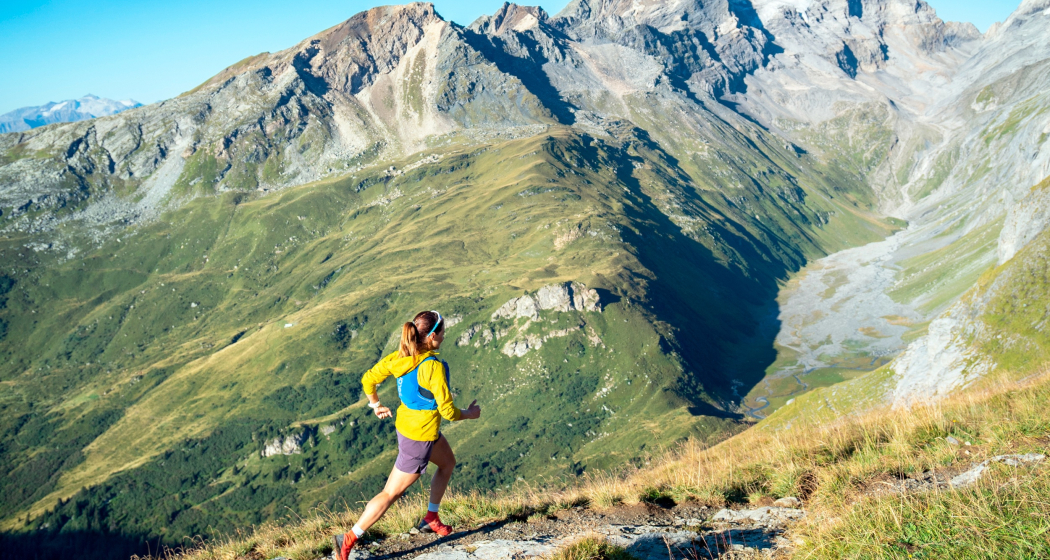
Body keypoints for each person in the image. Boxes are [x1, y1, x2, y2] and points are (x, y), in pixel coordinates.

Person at [334, 310, 482, 560]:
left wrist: (375, 405)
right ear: (433, 336)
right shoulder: (432, 367)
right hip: (420, 438)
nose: (445, 337)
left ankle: (431, 518)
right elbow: (448, 412)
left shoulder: (399, 357)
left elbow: (368, 379)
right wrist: (470, 413)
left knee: (447, 464)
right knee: (390, 493)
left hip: (412, 427)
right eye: (443, 333)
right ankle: (348, 538)